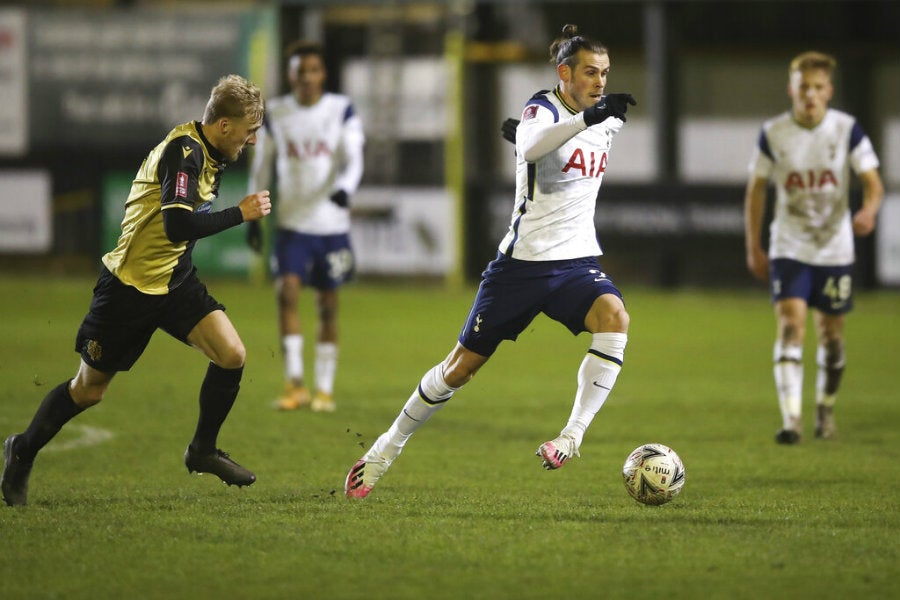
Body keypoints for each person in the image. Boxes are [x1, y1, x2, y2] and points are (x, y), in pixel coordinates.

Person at [345, 24, 636, 498]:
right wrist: (532, 136)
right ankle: (385, 448)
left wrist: (556, 134)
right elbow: (532, 146)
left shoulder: (608, 117)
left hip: (576, 260)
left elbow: (548, 154)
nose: (600, 83)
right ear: (564, 73)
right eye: (590, 73)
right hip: (521, 265)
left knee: (615, 318)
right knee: (459, 368)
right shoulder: (544, 106)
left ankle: (571, 436)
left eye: (604, 73)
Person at [2, 74, 271, 507]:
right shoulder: (184, 154)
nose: (252, 140)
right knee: (88, 390)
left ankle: (201, 450)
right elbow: (177, 224)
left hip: (174, 280)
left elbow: (176, 236)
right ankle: (22, 449)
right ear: (224, 126)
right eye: (248, 130)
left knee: (232, 354)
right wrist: (239, 214)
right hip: (128, 289)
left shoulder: (211, 152)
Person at [744, 51, 883, 444]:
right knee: (791, 325)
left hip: (835, 248)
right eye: (803, 87)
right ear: (792, 89)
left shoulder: (846, 129)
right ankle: (792, 420)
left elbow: (873, 182)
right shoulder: (774, 133)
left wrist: (869, 211)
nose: (810, 94)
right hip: (790, 244)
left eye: (818, 88)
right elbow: (755, 189)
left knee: (831, 336)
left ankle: (825, 408)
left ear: (829, 91)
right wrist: (755, 246)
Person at [246, 41, 365, 414]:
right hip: (292, 224)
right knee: (287, 294)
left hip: (331, 225)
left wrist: (345, 190)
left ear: (323, 74)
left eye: (313, 70)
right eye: (300, 71)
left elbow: (354, 156)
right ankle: (295, 384)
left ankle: (325, 389)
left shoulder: (340, 109)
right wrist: (253, 210)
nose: (307, 78)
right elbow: (261, 165)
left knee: (328, 305)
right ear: (290, 75)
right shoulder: (276, 113)